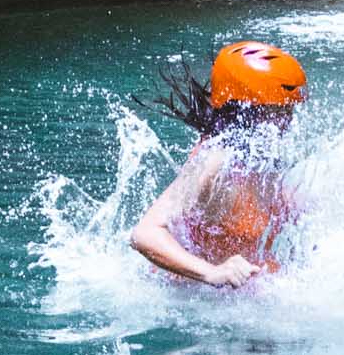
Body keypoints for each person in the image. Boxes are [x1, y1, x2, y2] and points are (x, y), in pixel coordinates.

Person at [131, 40, 306, 287]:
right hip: (192, 299)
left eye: (290, 110)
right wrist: (212, 273)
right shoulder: (215, 161)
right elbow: (145, 234)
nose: (288, 121)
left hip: (246, 295)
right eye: (279, 110)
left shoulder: (263, 160)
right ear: (247, 109)